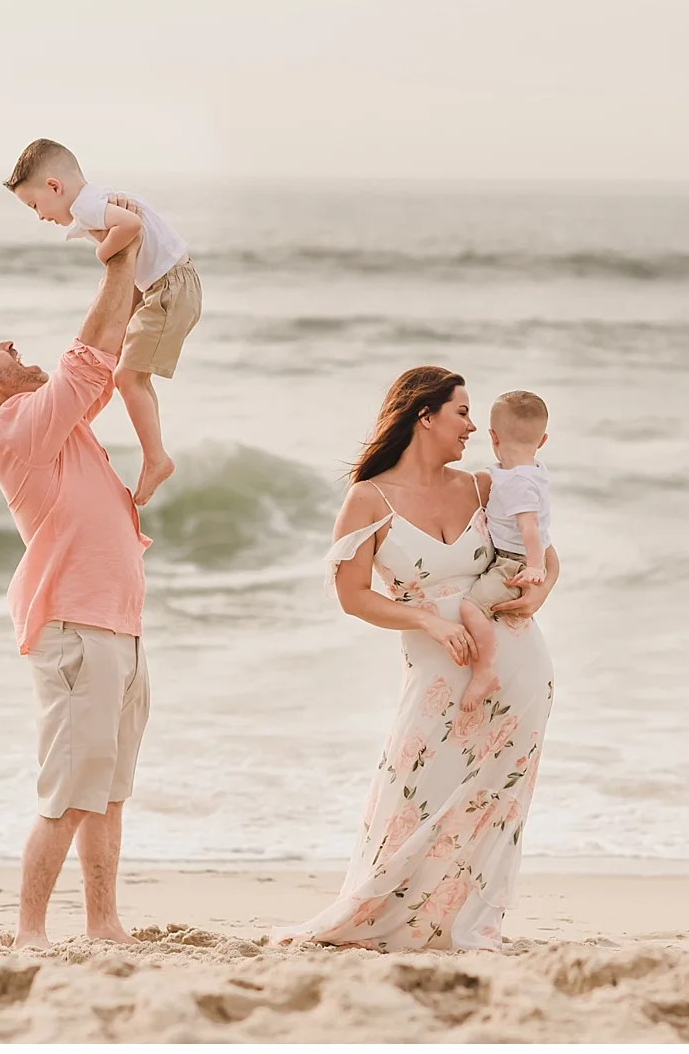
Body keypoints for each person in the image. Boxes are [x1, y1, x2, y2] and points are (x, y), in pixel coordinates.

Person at [275, 367, 558, 952]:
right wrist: (427, 619)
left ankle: (472, 925)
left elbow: (545, 555)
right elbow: (353, 596)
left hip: (519, 664)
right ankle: (392, 916)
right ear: (423, 415)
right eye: (461, 412)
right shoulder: (370, 498)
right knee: (414, 789)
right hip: (435, 669)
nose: (473, 426)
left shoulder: (485, 486)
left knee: (497, 802)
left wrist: (540, 591)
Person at [0, 229, 150, 949]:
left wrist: (137, 276)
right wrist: (118, 255)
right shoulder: (15, 430)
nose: (6, 344)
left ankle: (102, 923)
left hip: (116, 625)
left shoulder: (52, 425)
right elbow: (86, 362)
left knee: (109, 792)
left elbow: (105, 361)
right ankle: (28, 933)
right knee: (67, 794)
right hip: (75, 629)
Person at [3, 137, 203, 506]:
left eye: (35, 205)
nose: (40, 215)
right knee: (131, 374)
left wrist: (103, 251)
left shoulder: (89, 205)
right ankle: (155, 455)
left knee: (127, 376)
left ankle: (156, 457)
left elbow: (130, 225)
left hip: (169, 287)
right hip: (167, 284)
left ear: (54, 186)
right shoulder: (93, 201)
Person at [457, 390, 553, 714]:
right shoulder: (534, 471)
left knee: (471, 609)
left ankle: (484, 671)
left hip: (514, 564)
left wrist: (537, 568)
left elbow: (530, 529)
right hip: (518, 558)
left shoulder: (515, 482)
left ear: (492, 436)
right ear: (542, 441)